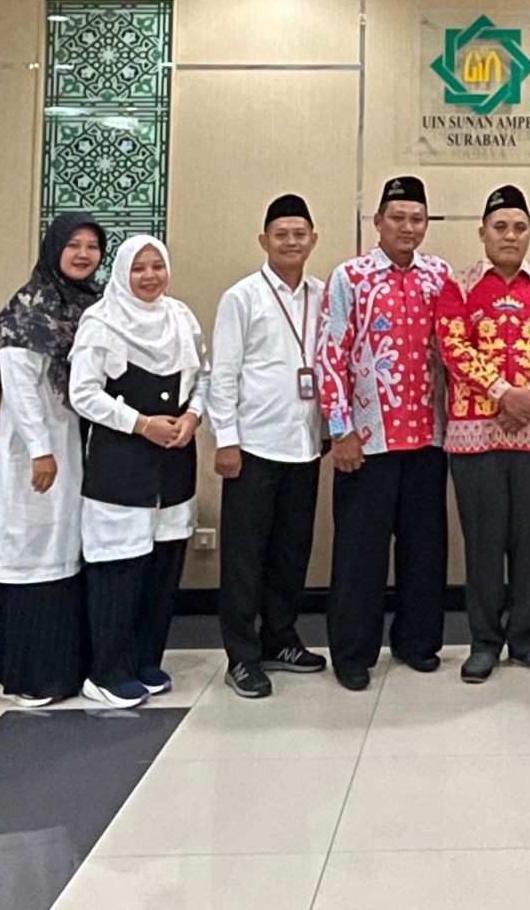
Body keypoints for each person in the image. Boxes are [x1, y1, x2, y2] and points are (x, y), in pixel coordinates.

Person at [438, 184, 530, 682]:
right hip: (476, 436)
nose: (510, 236)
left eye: (520, 227)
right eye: (500, 227)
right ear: (482, 232)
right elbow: (453, 347)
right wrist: (503, 394)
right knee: (483, 542)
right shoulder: (457, 286)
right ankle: (483, 641)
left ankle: (527, 638)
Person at [321, 176, 454, 692]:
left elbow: (453, 351)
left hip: (428, 437)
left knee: (425, 550)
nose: (407, 227)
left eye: (417, 219)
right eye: (397, 218)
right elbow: (330, 355)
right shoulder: (350, 277)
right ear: (377, 222)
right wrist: (341, 431)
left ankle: (417, 642)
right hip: (367, 441)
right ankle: (353, 653)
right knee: (361, 554)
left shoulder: (439, 276)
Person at [0, 214, 104, 708]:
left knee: (60, 549)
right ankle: (20, 673)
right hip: (28, 448)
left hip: (69, 440)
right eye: (74, 245)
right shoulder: (30, 305)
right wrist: (40, 449)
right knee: (27, 549)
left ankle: (61, 667)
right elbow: (20, 383)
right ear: (53, 250)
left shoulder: (93, 304)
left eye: (92, 246)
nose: (83, 254)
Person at [70, 235, 204, 709]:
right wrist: (141, 424)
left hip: (174, 459)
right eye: (138, 268)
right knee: (119, 565)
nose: (150, 276)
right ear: (122, 273)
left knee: (163, 564)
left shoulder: (181, 317)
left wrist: (193, 417)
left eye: (157, 266)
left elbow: (203, 377)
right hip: (121, 461)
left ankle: (146, 659)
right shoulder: (100, 322)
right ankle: (107, 672)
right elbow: (82, 393)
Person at [207, 195, 332, 700]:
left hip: (305, 444)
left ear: (313, 240)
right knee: (244, 557)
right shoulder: (242, 297)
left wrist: (328, 425)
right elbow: (223, 374)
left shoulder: (324, 295)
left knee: (290, 552)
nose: (291, 242)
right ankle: (241, 655)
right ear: (264, 241)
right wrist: (226, 441)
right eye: (281, 234)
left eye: (300, 234)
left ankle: (281, 638)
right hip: (254, 446)